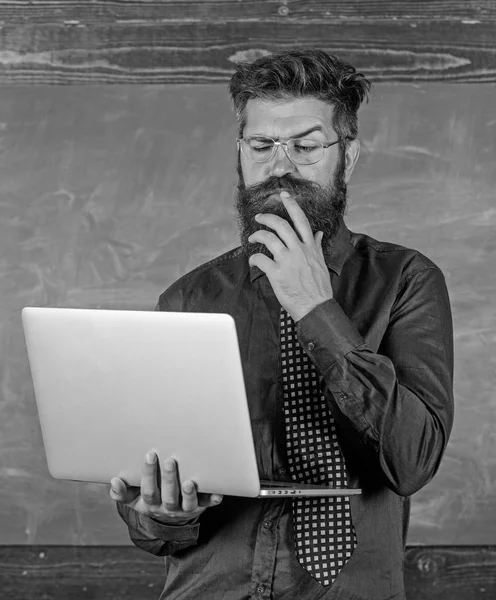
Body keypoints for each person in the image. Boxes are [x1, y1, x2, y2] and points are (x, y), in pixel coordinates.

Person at [109, 48, 454, 600]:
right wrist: (159, 513)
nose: (281, 165)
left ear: (350, 155)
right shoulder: (187, 298)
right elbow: (156, 534)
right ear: (240, 153)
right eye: (262, 145)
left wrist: (317, 311)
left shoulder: (407, 280)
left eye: (307, 145)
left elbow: (412, 461)